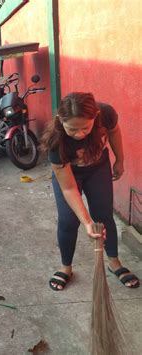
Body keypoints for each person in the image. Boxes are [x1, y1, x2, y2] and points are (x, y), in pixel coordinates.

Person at [41, 92, 139, 290]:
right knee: (69, 220)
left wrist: (119, 160)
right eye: (72, 129)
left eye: (85, 127)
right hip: (70, 176)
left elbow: (114, 131)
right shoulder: (56, 142)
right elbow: (68, 188)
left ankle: (114, 261)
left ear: (95, 116)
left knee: (103, 215)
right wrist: (87, 222)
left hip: (97, 168)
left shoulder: (106, 113)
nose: (79, 134)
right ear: (61, 120)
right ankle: (66, 267)